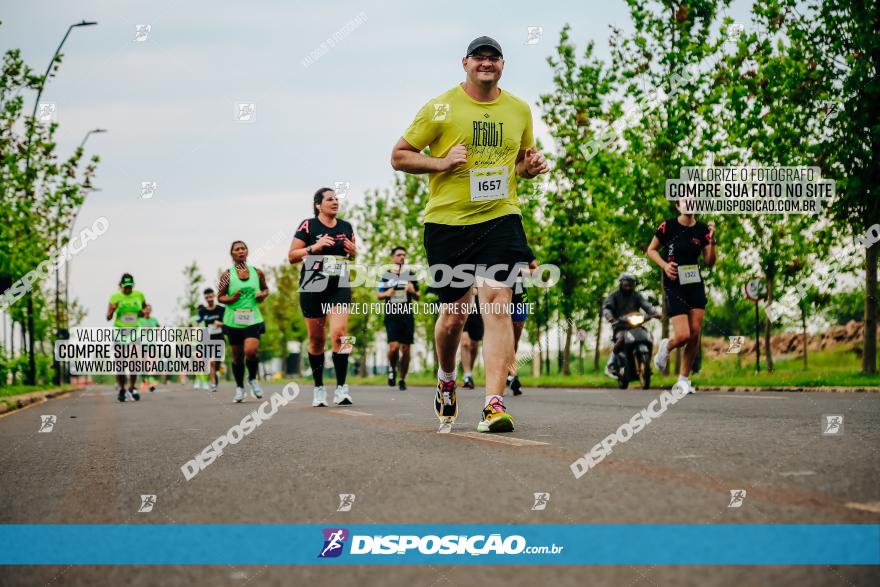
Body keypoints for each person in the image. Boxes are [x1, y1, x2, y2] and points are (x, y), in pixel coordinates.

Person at [391, 35, 549, 432]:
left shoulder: (518, 109)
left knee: (497, 300)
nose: (486, 63)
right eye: (479, 57)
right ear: (464, 63)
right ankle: (446, 377)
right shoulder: (441, 107)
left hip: (500, 217)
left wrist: (528, 169)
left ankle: (493, 404)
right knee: (454, 316)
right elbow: (399, 155)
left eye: (493, 58)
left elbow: (520, 162)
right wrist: (441, 162)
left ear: (502, 65)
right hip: (448, 224)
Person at [289, 187, 357, 407]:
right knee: (316, 340)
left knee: (341, 334)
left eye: (336, 199)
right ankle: (319, 388)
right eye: (330, 199)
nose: (335, 202)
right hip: (313, 284)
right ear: (318, 204)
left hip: (339, 284)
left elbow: (352, 253)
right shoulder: (308, 225)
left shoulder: (346, 226)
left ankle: (341, 387)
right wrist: (313, 247)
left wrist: (354, 252)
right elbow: (292, 256)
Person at [647, 201, 716, 393]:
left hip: (694, 283)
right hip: (674, 283)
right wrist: (664, 265)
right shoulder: (667, 226)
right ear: (678, 206)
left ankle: (683, 379)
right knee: (684, 335)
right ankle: (667, 346)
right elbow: (651, 250)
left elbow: (709, 261)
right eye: (685, 200)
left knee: (695, 334)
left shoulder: (702, 229)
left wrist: (712, 240)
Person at [217, 241, 269, 403]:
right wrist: (231, 298)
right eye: (237, 249)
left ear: (247, 252)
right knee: (238, 357)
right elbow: (220, 296)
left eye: (243, 248)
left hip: (253, 318)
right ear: (232, 254)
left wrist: (262, 295)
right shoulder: (227, 275)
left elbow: (266, 289)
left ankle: (253, 379)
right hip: (233, 320)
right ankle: (240, 388)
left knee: (251, 351)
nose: (241, 251)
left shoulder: (257, 273)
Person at [602, 273, 661, 378]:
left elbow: (646, 305)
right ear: (621, 284)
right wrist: (610, 317)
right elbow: (607, 308)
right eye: (626, 284)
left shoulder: (636, 295)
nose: (628, 286)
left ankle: (647, 364)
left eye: (631, 284)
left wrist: (654, 312)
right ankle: (610, 364)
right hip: (620, 326)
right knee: (621, 339)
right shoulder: (614, 295)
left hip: (636, 326)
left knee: (648, 338)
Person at [377, 246, 419, 391]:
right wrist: (387, 293)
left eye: (404, 255)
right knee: (394, 347)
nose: (402, 257)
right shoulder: (386, 275)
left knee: (406, 349)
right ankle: (392, 369)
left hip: (407, 315)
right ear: (392, 258)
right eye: (399, 255)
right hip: (392, 315)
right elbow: (379, 295)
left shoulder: (410, 274)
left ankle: (402, 379)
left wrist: (412, 291)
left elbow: (418, 296)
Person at [106, 273, 147, 402]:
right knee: (121, 362)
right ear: (121, 285)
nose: (128, 289)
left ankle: (133, 387)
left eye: (130, 286)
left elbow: (143, 310)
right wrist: (113, 310)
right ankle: (122, 389)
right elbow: (108, 317)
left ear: (133, 285)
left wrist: (142, 312)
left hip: (134, 330)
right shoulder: (115, 297)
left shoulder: (139, 295)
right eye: (126, 287)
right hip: (120, 330)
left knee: (135, 359)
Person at [197, 288, 226, 392]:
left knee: (217, 362)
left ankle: (217, 372)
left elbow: (227, 323)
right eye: (207, 297)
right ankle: (213, 383)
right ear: (205, 298)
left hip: (219, 337)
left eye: (211, 296)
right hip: (207, 338)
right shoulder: (202, 311)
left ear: (214, 296)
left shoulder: (221, 309)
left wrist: (220, 324)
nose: (209, 298)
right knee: (211, 362)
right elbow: (197, 322)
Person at [507, 274, 529, 395]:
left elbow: (535, 269)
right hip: (501, 297)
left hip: (521, 298)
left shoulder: (523, 254)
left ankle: (507, 374)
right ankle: (513, 375)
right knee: (507, 340)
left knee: (514, 342)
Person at [460, 289, 482, 389]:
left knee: (474, 345)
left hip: (477, 310)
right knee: (465, 342)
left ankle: (469, 373)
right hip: (461, 308)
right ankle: (467, 375)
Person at [137, 304, 161, 392]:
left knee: (151, 363)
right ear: (143, 311)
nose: (148, 310)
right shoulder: (139, 320)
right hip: (142, 344)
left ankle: (151, 382)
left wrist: (158, 333)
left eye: (149, 309)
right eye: (146, 309)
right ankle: (144, 381)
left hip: (152, 344)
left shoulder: (154, 320)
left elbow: (159, 327)